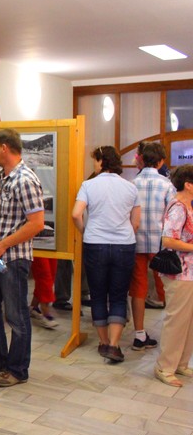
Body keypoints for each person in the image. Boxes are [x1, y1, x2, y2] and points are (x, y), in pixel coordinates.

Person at [0, 129, 44, 387]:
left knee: (16, 315)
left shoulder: (25, 179)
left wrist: (3, 245)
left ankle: (17, 369)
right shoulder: (4, 177)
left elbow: (36, 223)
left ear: (4, 147)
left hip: (12, 258)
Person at [72, 146, 140, 363]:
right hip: (124, 245)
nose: (93, 164)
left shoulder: (88, 185)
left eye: (95, 160)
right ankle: (114, 345)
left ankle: (102, 342)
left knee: (98, 294)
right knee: (119, 295)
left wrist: (86, 231)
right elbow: (135, 223)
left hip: (95, 243)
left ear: (102, 161)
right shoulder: (130, 187)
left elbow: (76, 214)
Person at [130, 142, 175, 350]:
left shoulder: (132, 183)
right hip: (160, 244)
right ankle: (172, 336)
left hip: (135, 242)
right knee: (168, 288)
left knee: (138, 288)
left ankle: (139, 335)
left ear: (141, 159)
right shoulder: (167, 185)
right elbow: (172, 216)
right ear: (161, 161)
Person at [154, 165, 193, 387]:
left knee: (188, 321)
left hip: (189, 272)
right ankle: (165, 367)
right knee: (177, 320)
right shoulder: (178, 207)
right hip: (180, 273)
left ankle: (180, 363)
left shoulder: (187, 205)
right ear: (188, 185)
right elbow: (168, 240)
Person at [30, 257, 59, 329]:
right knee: (44, 275)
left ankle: (34, 307)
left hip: (52, 250)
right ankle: (46, 313)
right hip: (37, 250)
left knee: (52, 274)